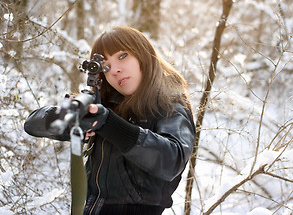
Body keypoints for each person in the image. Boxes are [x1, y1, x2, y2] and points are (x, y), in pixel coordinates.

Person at [24, 26, 196, 215]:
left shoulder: (170, 105)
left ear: (143, 55)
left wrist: (109, 124)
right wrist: (67, 118)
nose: (115, 70)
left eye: (122, 56)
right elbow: (31, 124)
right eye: (106, 67)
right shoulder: (106, 103)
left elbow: (172, 159)